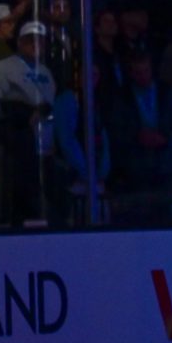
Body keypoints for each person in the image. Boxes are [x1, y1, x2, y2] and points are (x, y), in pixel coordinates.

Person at [109, 50, 172, 225]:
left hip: (166, 168)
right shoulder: (123, 97)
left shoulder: (167, 93)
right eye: (138, 72)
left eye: (146, 71)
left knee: (168, 219)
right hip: (137, 170)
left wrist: (165, 138)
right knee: (140, 219)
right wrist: (137, 137)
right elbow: (116, 131)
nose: (143, 76)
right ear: (130, 73)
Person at [0, 22, 58, 227]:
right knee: (19, 187)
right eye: (30, 40)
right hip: (18, 138)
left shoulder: (46, 72)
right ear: (20, 42)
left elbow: (51, 104)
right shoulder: (4, 67)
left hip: (44, 138)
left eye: (40, 40)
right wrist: (23, 114)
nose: (36, 44)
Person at [53, 60, 110, 226]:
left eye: (95, 76)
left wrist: (103, 169)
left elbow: (103, 137)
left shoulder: (96, 102)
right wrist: (86, 172)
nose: (92, 80)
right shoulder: (67, 101)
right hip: (75, 182)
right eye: (87, 75)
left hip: (95, 179)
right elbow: (67, 141)